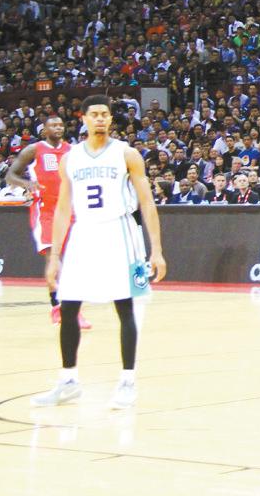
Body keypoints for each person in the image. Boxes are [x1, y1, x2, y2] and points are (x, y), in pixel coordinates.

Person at [32, 95, 166, 409]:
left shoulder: (127, 153)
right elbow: (63, 208)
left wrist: (156, 250)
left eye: (105, 114)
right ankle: (68, 381)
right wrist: (55, 256)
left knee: (124, 307)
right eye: (94, 114)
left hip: (119, 231)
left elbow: (147, 202)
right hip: (83, 233)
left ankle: (127, 382)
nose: (100, 119)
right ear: (84, 119)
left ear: (110, 118)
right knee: (68, 307)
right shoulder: (71, 158)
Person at [4, 114, 90, 328]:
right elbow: (11, 175)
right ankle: (58, 307)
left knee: (73, 260)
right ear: (44, 130)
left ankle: (73, 309)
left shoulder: (72, 150)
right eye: (54, 125)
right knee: (54, 257)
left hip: (69, 208)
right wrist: (26, 184)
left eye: (61, 125)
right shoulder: (34, 149)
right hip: (46, 210)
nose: (58, 128)